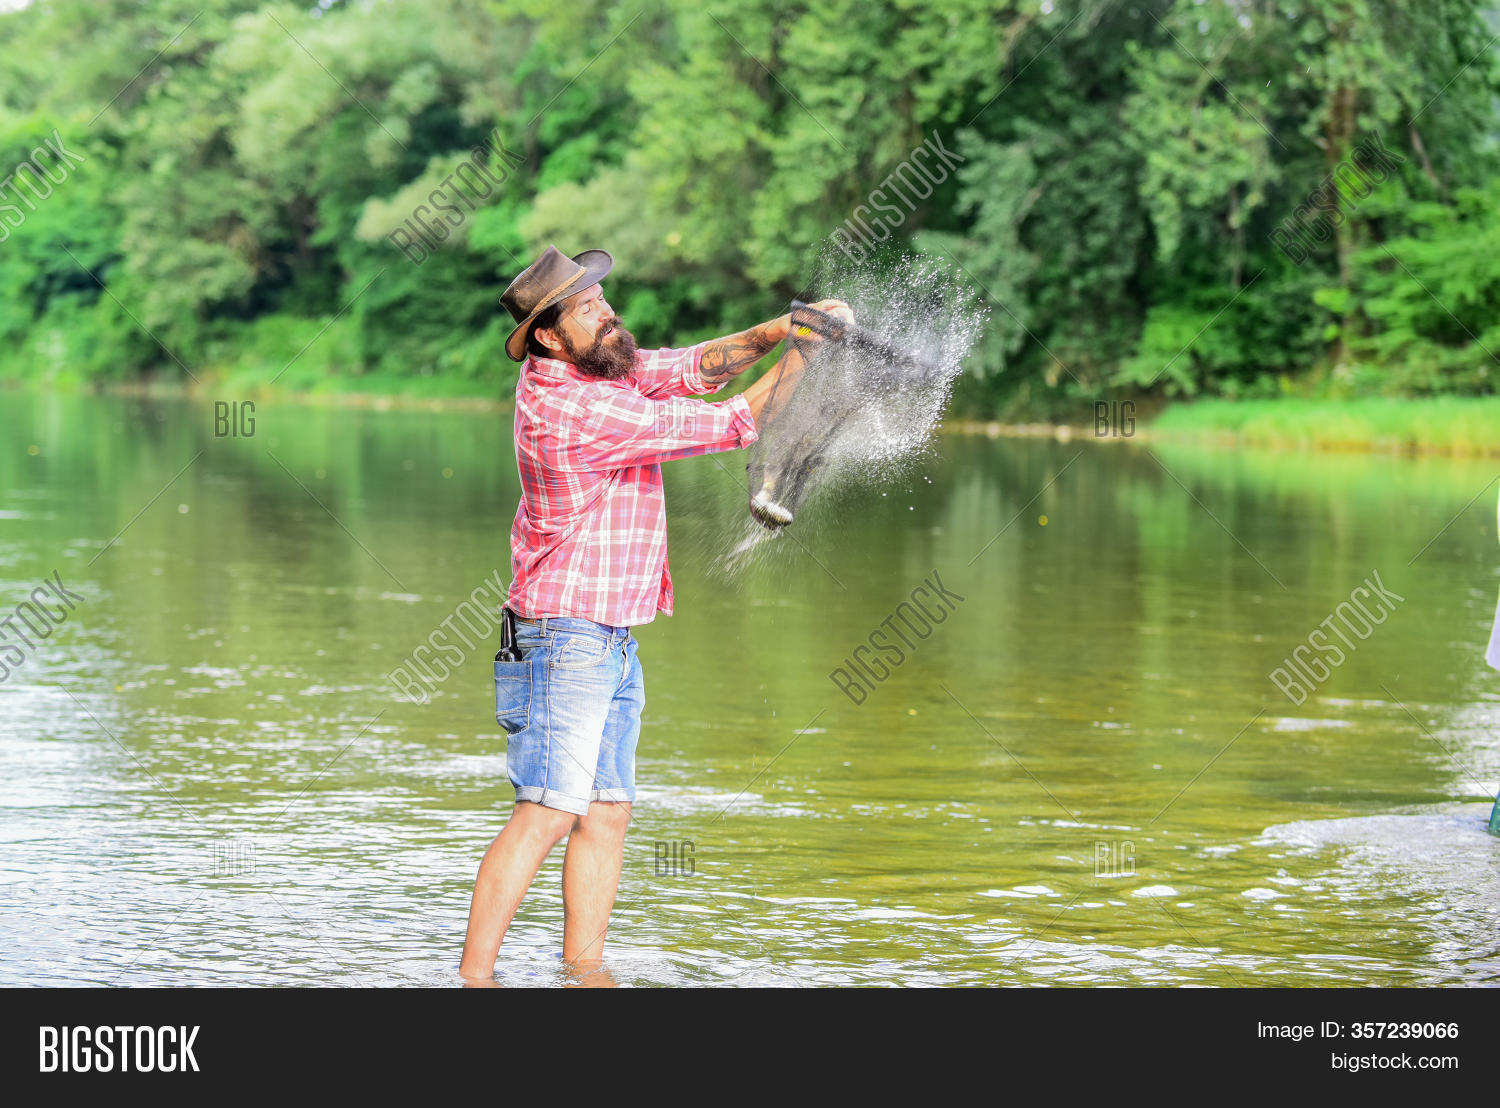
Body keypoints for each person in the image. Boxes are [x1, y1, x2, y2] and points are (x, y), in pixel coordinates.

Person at [458, 245, 852, 982]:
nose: (606, 313)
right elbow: (731, 422)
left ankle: (586, 974)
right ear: (546, 336)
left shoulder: (593, 365)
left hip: (605, 635)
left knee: (606, 811)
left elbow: (685, 368)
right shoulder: (572, 406)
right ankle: (473, 981)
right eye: (586, 309)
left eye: (602, 297)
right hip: (562, 635)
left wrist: (786, 328)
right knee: (545, 811)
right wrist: (805, 356)